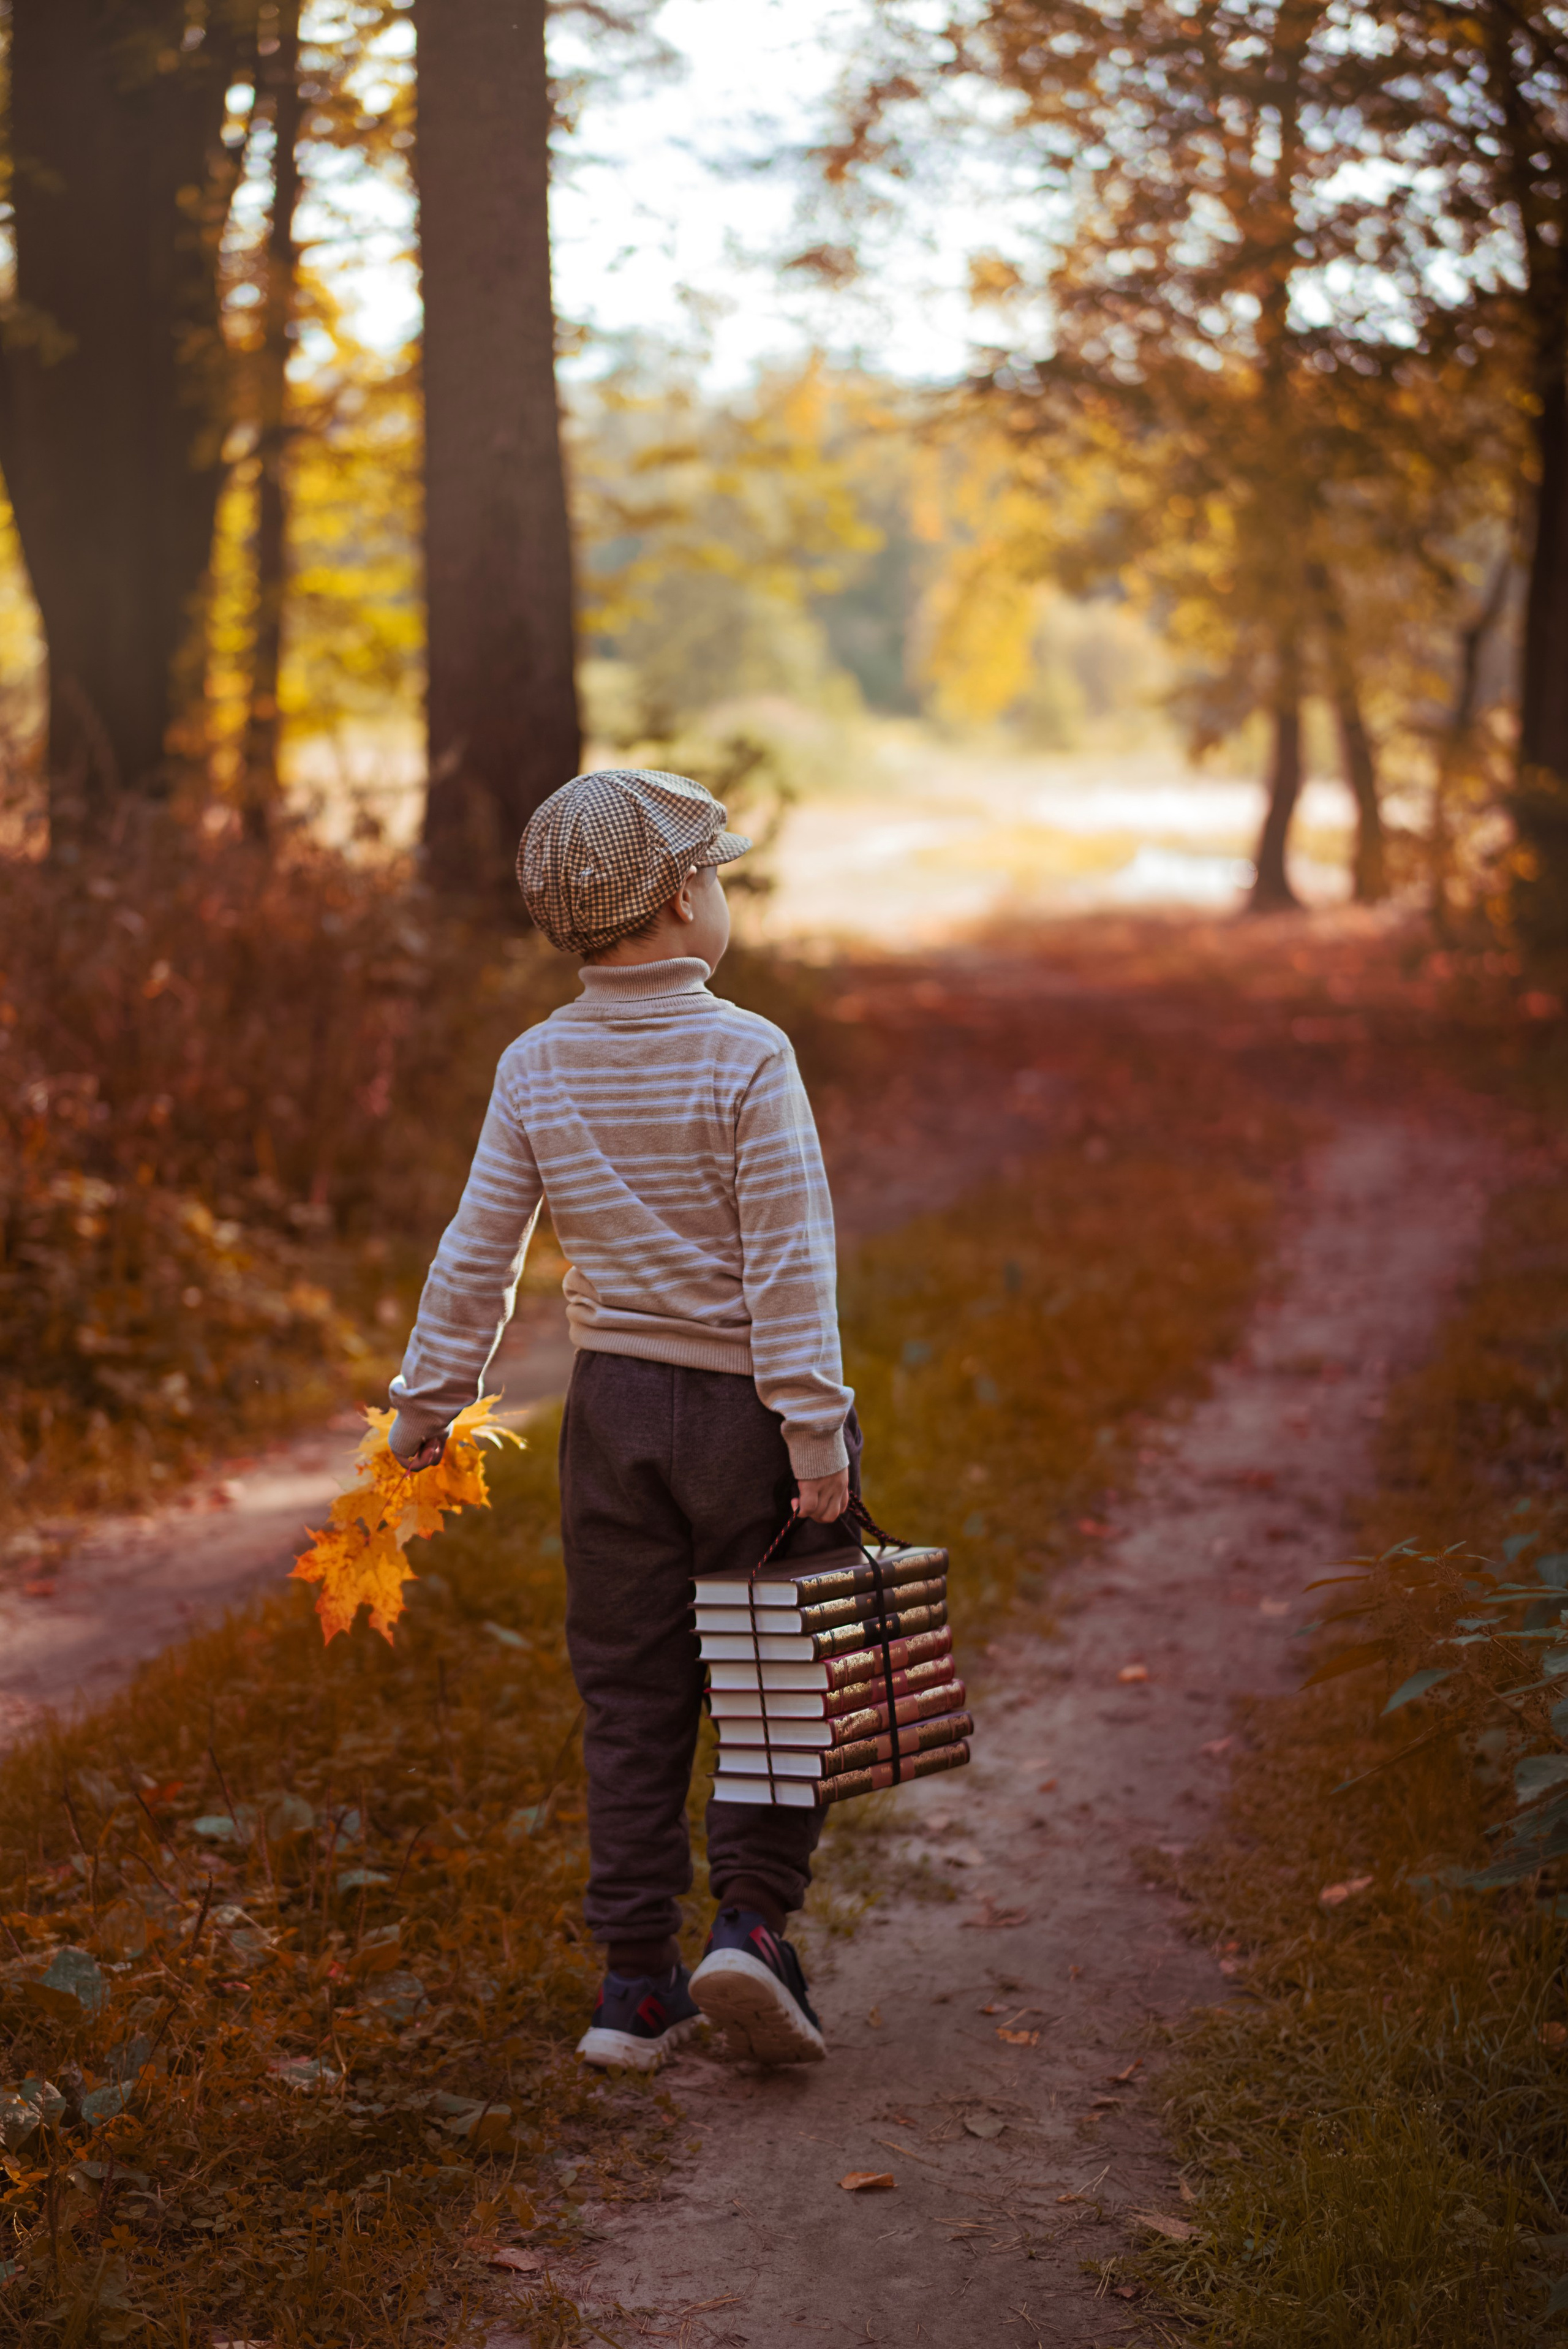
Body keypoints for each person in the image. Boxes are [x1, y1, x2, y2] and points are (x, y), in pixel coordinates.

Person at [387, 767, 859, 2072]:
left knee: (631, 1690)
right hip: (744, 1416)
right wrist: (813, 1434)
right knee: (769, 1682)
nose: (720, 897)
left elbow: (475, 1255)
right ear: (675, 898)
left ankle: (633, 1984)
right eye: (713, 876)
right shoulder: (748, 1052)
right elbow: (786, 1262)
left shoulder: (535, 1065)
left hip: (611, 1417)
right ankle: (751, 1929)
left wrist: (426, 1402)